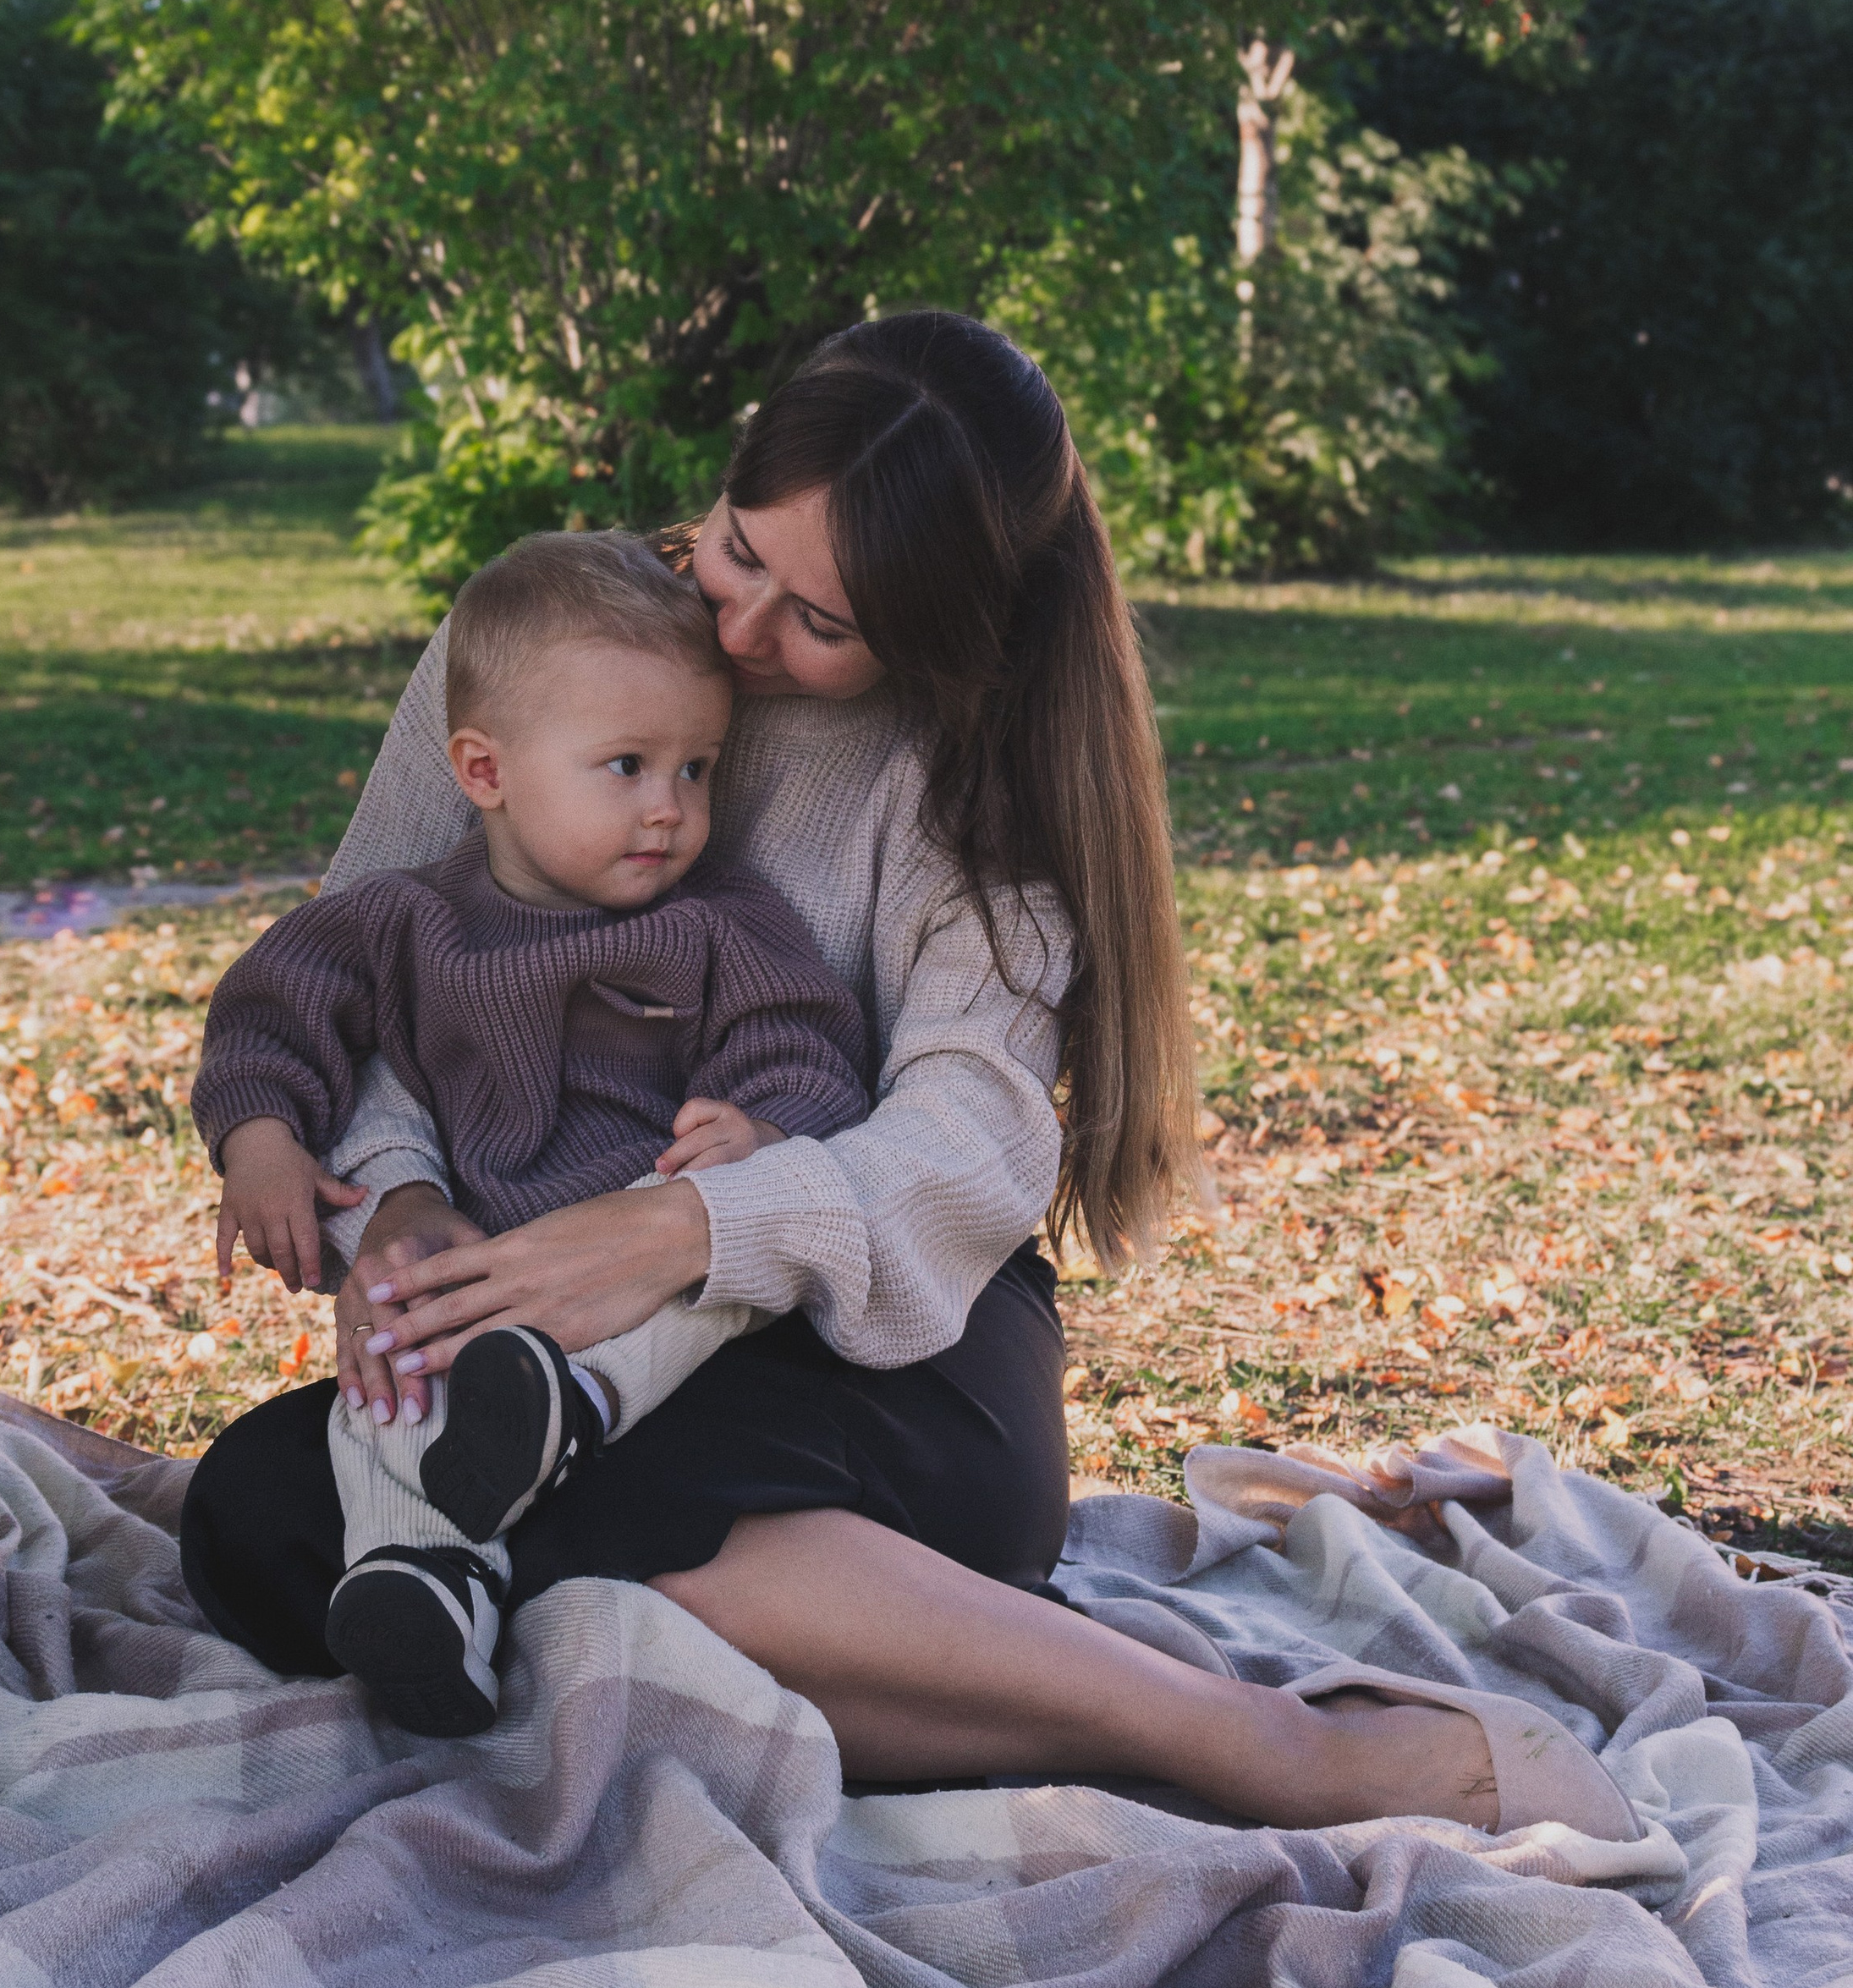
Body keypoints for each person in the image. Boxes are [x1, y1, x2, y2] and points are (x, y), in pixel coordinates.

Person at [181, 312, 1636, 1838]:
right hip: (540, 1315)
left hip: (886, 1345)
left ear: (936, 634)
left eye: (821, 621)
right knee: (264, 1515)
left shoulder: (965, 776)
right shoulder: (541, 633)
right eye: (741, 548)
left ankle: (1254, 1745)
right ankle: (964, 1699)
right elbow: (365, 971)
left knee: (566, 1501)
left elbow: (970, 1139)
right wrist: (400, 1208)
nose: (740, 636)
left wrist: (693, 1228)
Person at [192, 529, 869, 1734]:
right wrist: (259, 1141)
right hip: (485, 1270)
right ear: (485, 770)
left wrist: (762, 1134)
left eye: (698, 770)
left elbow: (804, 1045)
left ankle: (578, 1406)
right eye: (627, 766)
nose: (671, 809)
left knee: (721, 1285)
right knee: (389, 1366)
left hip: (648, 1271)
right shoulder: (401, 927)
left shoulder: (718, 923)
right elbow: (269, 1015)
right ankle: (421, 1581)